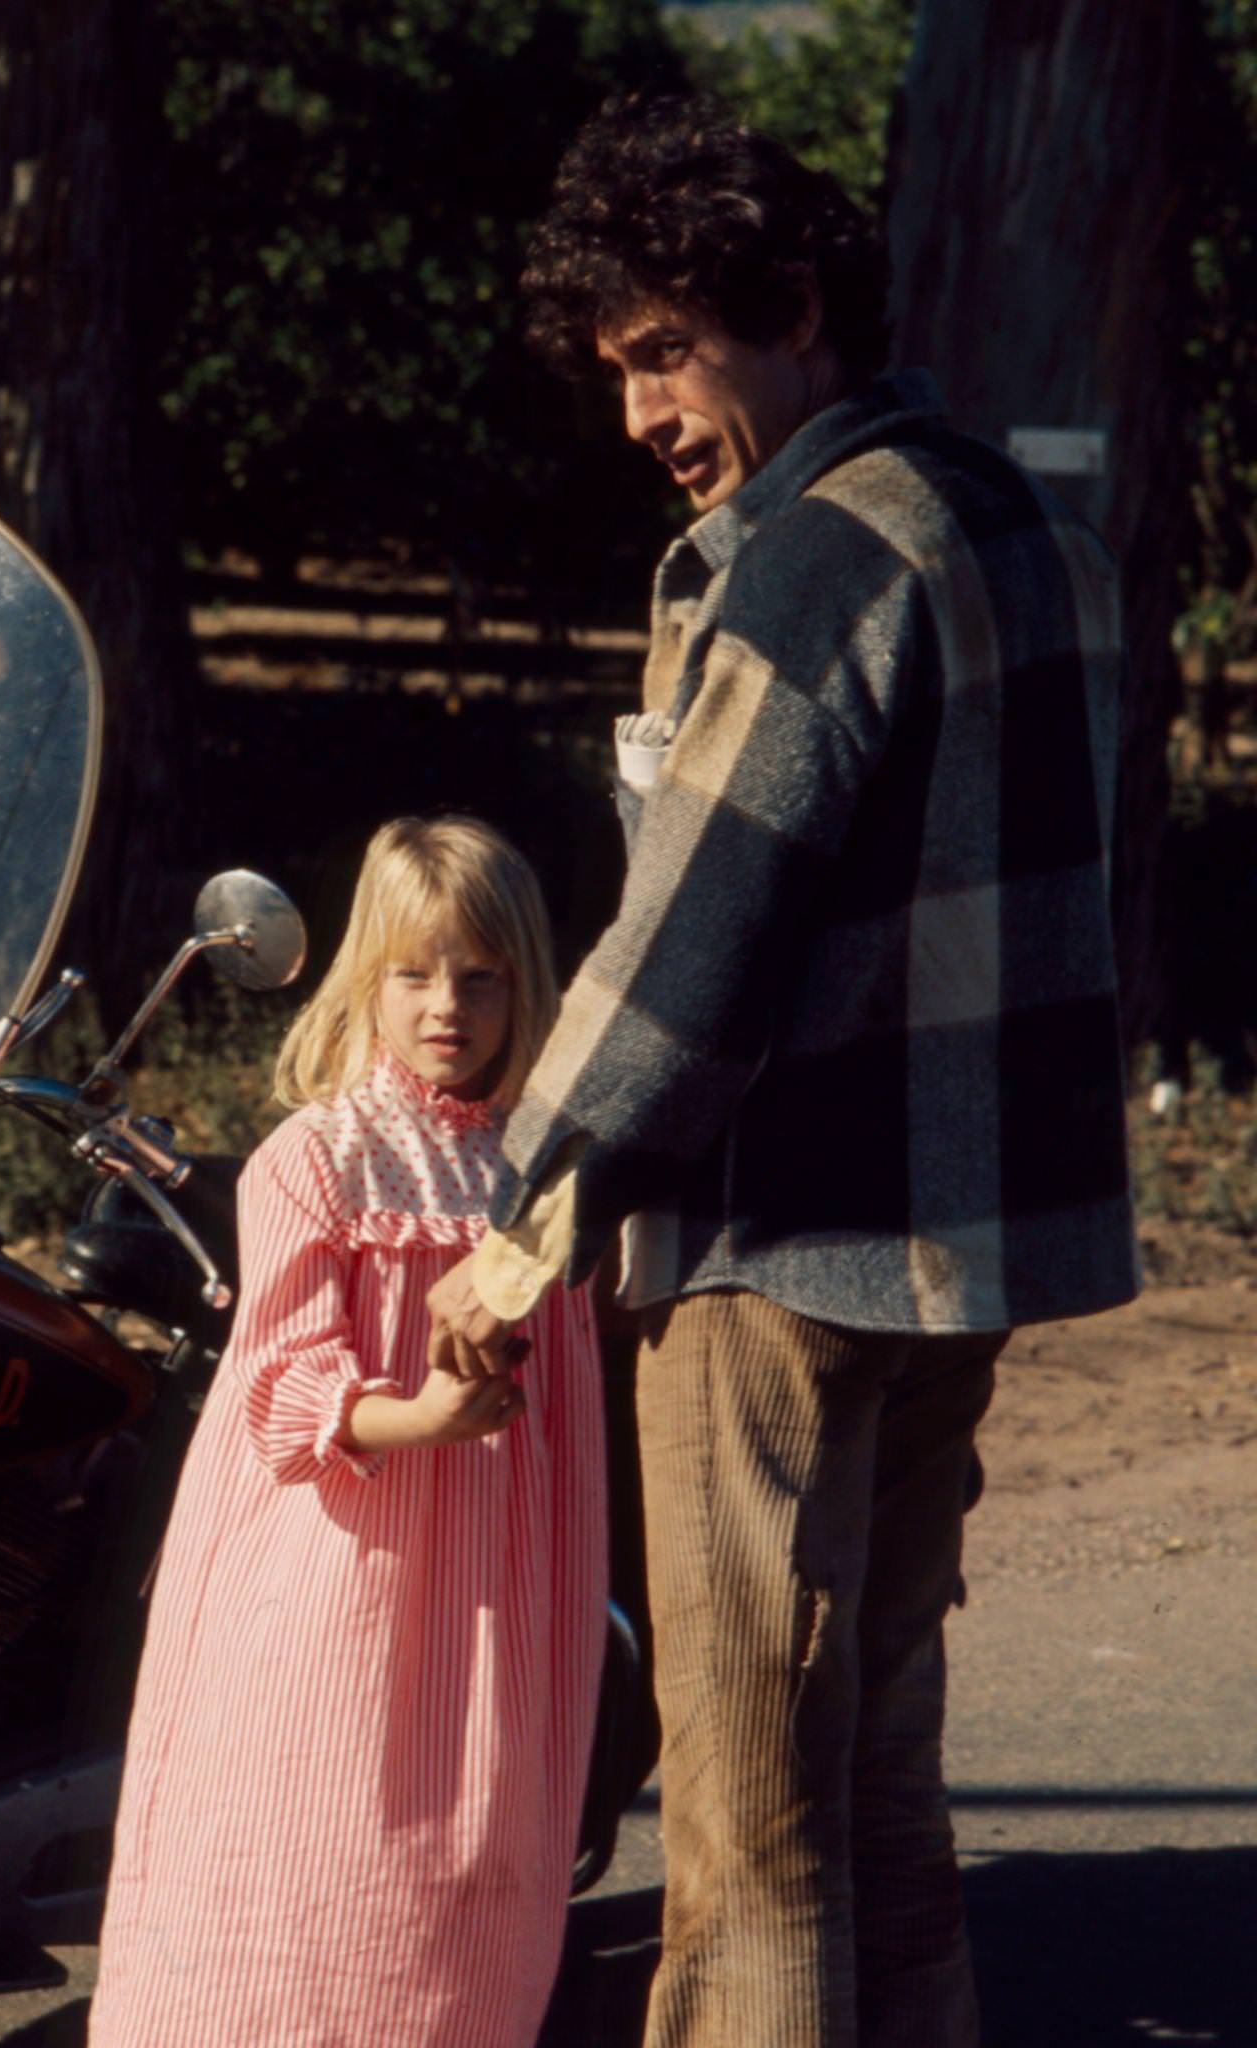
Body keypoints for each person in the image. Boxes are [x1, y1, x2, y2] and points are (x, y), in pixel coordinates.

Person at [426, 93, 1138, 2048]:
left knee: (745, 1839)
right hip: (967, 1249)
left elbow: (689, 945)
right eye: (618, 370)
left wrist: (519, 1207)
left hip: (778, 1245)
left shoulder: (815, 561)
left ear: (790, 305)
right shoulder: (1033, 527)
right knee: (877, 1783)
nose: (641, 413)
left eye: (665, 353)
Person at [89, 816, 606, 2048]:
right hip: (343, 1567)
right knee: (316, 1832)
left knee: (469, 1861)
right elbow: (275, 1383)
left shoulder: (551, 1168)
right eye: (415, 972)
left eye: (483, 975)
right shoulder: (315, 1159)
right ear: (364, 977)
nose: (448, 1005)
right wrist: (420, 1411)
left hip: (505, 1573)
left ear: (524, 984)